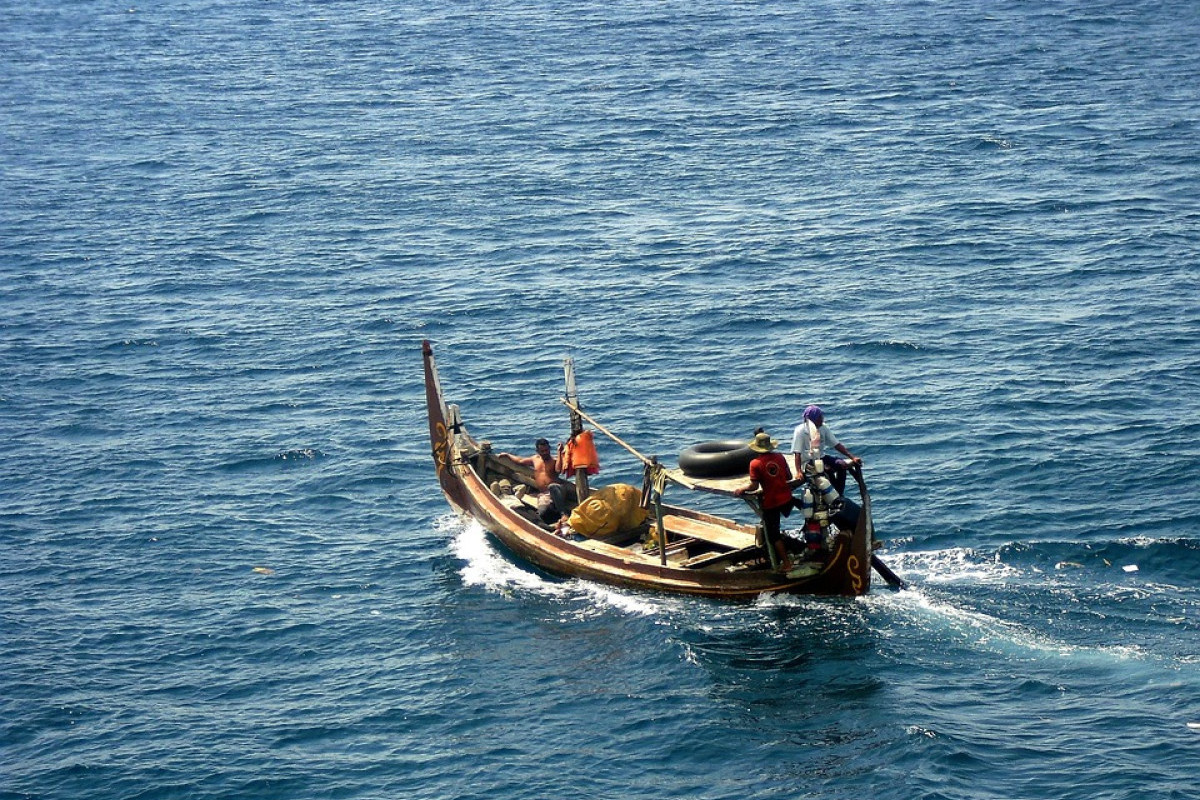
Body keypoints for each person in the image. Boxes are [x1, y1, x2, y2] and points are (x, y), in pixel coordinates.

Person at [734, 430, 799, 573]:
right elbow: (788, 477)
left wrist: (741, 489)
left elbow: (754, 486)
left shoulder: (755, 464)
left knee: (773, 535)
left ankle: (786, 563)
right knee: (799, 503)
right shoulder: (780, 457)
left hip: (772, 503)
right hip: (787, 498)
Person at [790, 405, 861, 495]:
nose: (822, 419)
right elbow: (797, 453)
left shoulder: (823, 427)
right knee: (827, 471)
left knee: (842, 465)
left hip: (821, 457)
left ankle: (839, 493)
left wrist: (852, 457)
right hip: (808, 461)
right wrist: (799, 471)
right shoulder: (800, 431)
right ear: (813, 419)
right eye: (820, 417)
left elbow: (836, 444)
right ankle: (832, 496)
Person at [497, 438, 569, 525]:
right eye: (542, 451)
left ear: (549, 448)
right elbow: (520, 461)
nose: (545, 452)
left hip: (557, 491)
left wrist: (559, 453)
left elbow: (558, 470)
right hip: (544, 495)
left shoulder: (554, 460)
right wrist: (507, 455)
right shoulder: (535, 459)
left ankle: (564, 514)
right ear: (537, 451)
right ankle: (550, 521)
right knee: (541, 513)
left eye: (546, 450)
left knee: (552, 486)